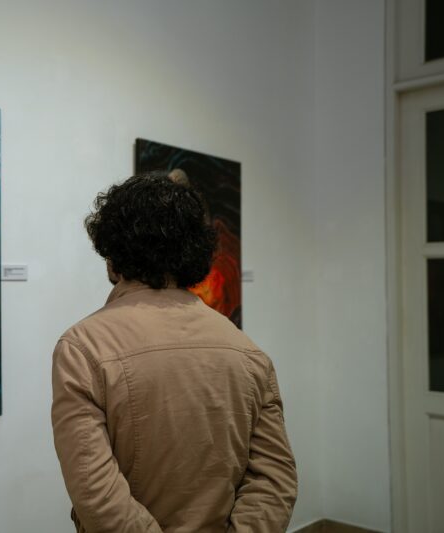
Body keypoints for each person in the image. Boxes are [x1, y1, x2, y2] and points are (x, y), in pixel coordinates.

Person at [51, 171, 297, 532]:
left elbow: (96, 493)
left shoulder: (82, 347)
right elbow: (274, 481)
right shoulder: (247, 352)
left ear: (111, 256)